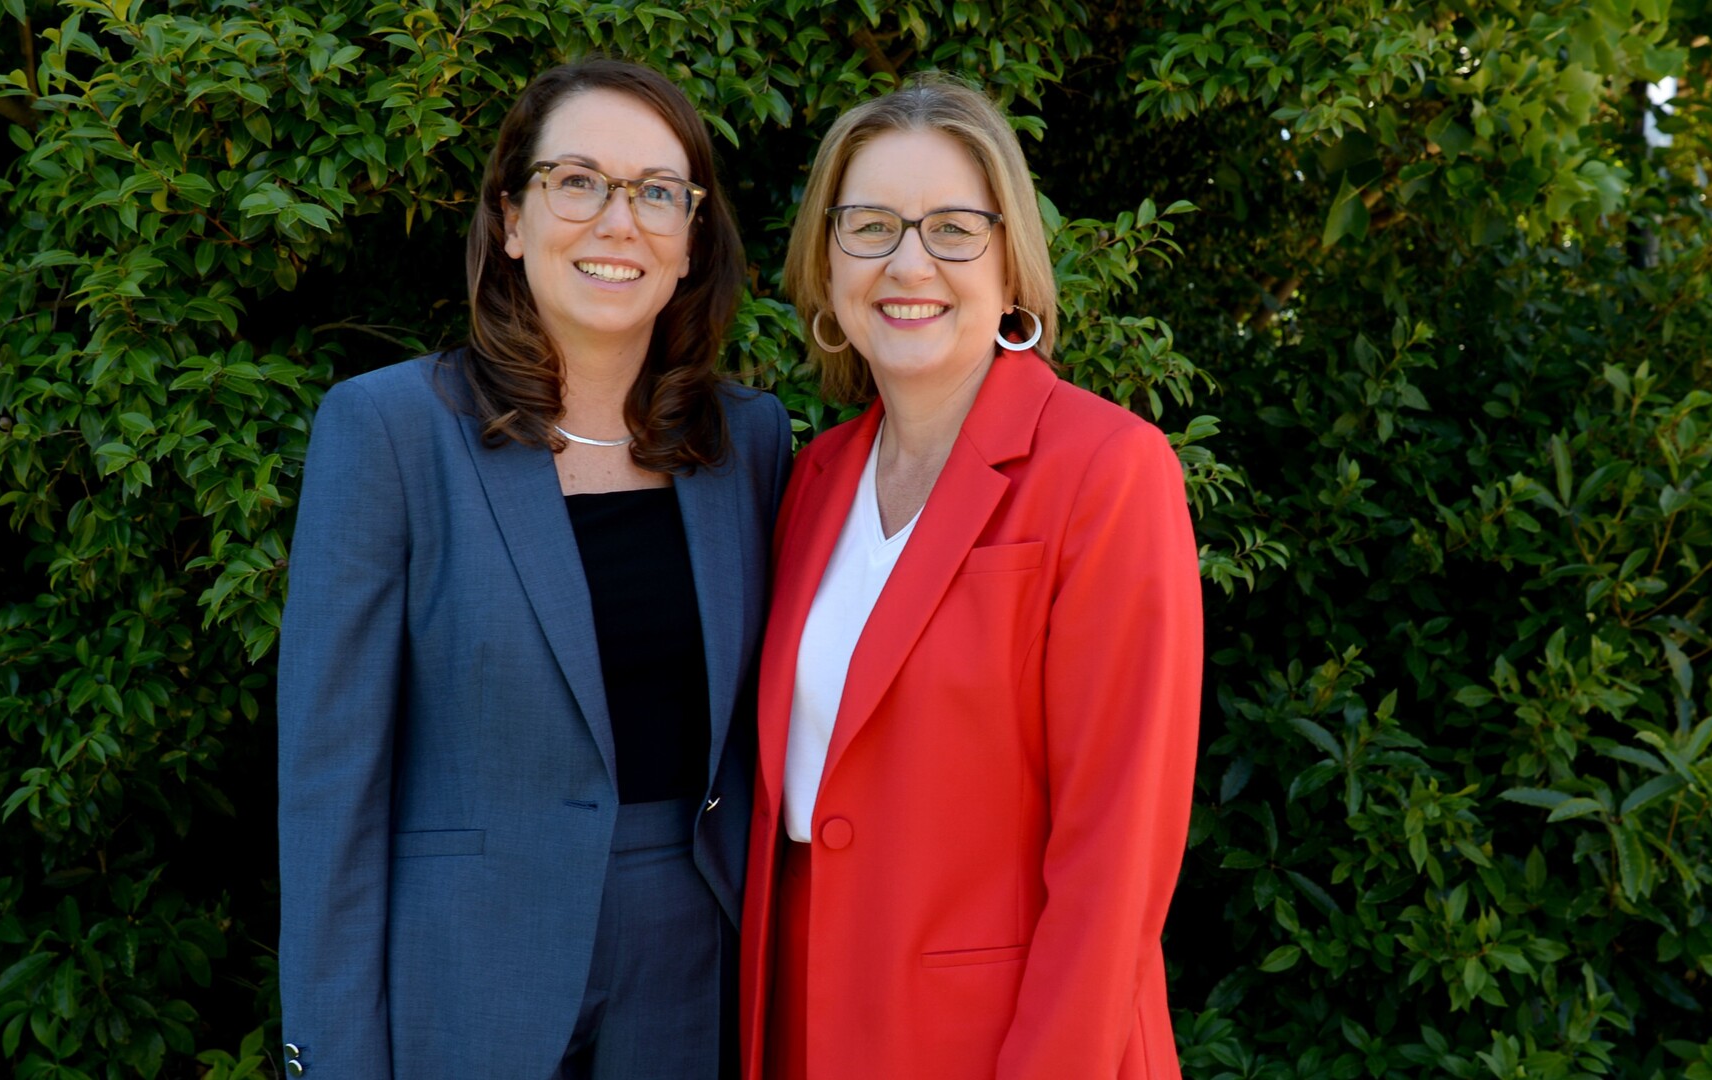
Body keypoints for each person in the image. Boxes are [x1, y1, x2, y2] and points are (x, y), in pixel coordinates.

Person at [278, 58, 791, 1080]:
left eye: (657, 192)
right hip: (465, 985)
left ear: (691, 239)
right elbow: (330, 788)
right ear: (511, 219)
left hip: (690, 982)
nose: (619, 220)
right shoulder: (390, 433)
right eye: (578, 181)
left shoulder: (749, 443)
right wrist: (330, 1055)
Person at [738, 75, 1203, 1080]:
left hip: (1007, 1042)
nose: (909, 262)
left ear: (1010, 260)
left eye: (953, 227)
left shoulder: (1105, 469)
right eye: (869, 226)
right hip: (805, 1028)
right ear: (828, 261)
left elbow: (1115, 856)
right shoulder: (812, 484)